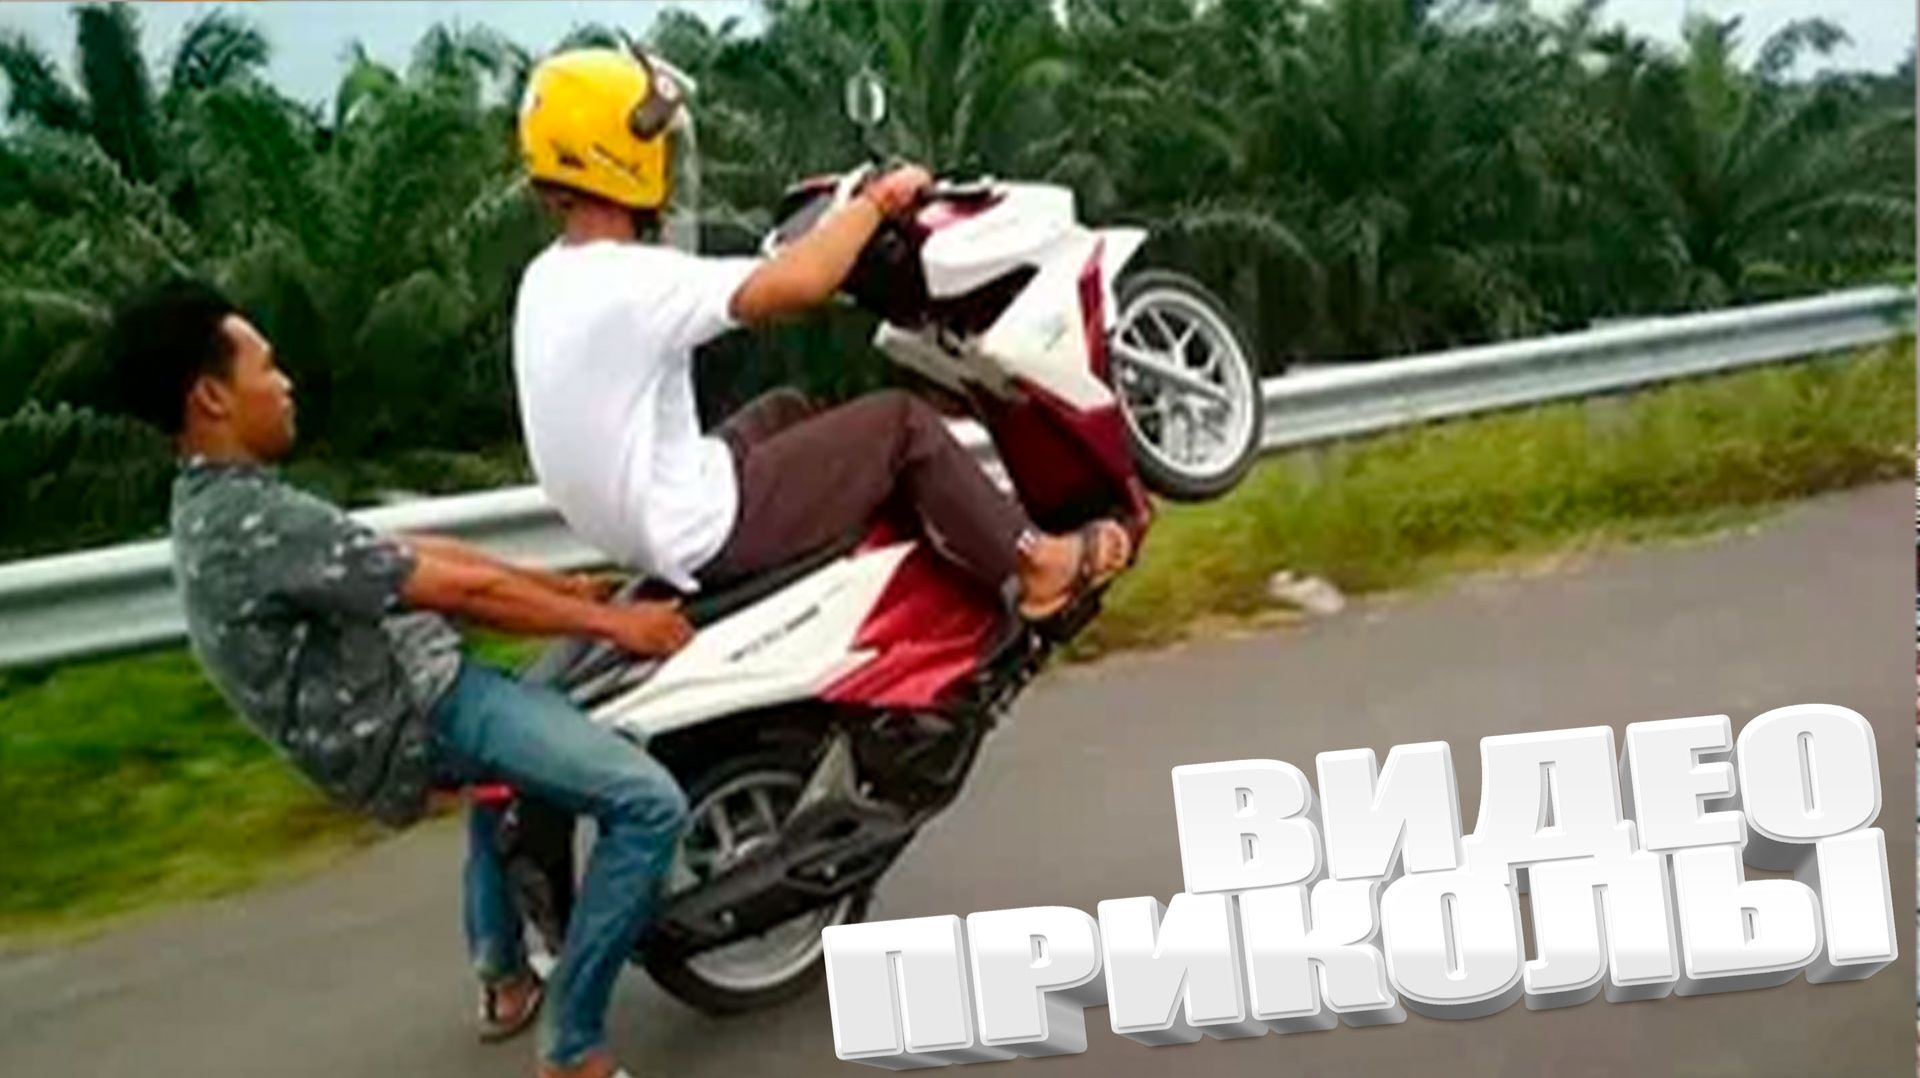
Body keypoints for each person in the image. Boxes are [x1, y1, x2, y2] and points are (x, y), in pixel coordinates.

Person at [105, 279, 691, 1078]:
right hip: (420, 713)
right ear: (212, 396)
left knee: (524, 762)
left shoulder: (223, 501)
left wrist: (556, 587)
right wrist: (620, 625)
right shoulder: (253, 523)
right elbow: (461, 592)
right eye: (266, 367)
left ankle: (505, 976)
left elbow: (411, 555)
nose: (286, 383)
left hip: (403, 685)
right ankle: (573, 1045)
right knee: (649, 805)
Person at [511, 47, 1132, 619]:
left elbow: (768, 275)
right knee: (900, 424)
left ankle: (928, 550)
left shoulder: (550, 276)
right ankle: (1035, 566)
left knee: (788, 409)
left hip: (648, 524)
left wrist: (831, 233)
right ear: (620, 152)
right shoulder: (634, 280)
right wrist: (877, 203)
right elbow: (801, 284)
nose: (672, 162)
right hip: (700, 532)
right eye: (662, 144)